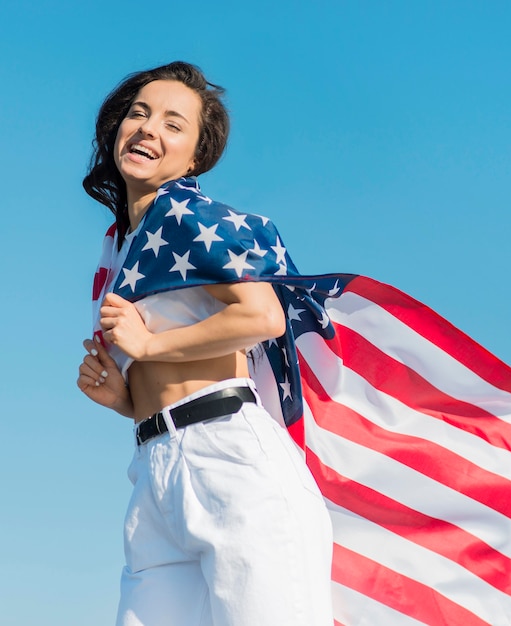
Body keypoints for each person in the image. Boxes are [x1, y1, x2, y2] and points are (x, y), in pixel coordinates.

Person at [77, 61, 334, 626]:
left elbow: (261, 315)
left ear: (195, 158)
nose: (147, 128)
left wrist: (146, 347)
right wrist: (126, 398)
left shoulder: (189, 217)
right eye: (138, 114)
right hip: (154, 468)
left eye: (173, 123)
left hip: (230, 461)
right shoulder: (122, 244)